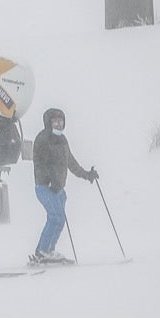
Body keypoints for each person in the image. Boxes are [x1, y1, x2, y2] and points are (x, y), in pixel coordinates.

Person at [30, 107, 98, 265]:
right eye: (55, 122)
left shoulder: (62, 140)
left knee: (58, 220)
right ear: (48, 123)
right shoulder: (43, 139)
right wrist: (49, 181)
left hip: (58, 189)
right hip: (45, 187)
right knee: (57, 217)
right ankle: (43, 251)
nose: (59, 125)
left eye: (61, 122)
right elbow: (40, 163)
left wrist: (87, 174)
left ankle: (48, 250)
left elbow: (71, 162)